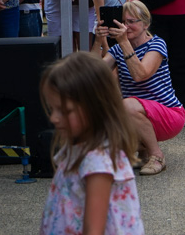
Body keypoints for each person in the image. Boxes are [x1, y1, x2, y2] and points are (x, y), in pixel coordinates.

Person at [39, 52, 143, 234]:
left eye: (64, 111)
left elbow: (94, 230)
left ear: (95, 107)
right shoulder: (77, 147)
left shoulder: (98, 161)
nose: (54, 118)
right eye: (52, 109)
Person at [96, 0, 185, 176]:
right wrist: (99, 39)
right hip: (137, 113)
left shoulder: (156, 44)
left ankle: (156, 155)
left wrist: (123, 42)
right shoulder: (118, 49)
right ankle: (142, 151)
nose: (126, 27)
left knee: (128, 105)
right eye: (123, 22)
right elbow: (93, 74)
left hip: (170, 114)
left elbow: (140, 75)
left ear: (146, 24)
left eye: (131, 22)